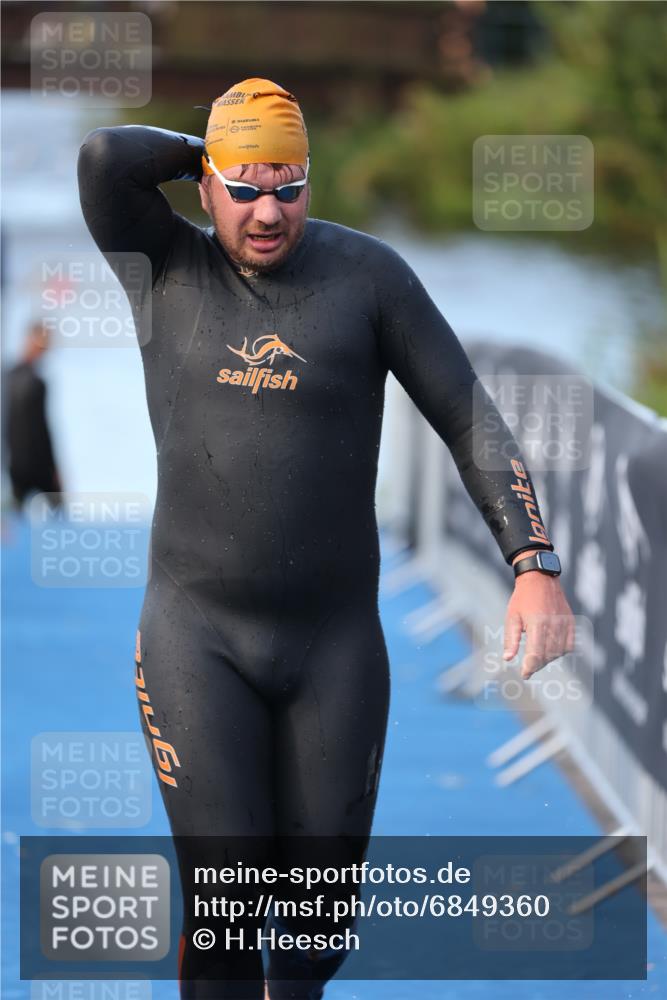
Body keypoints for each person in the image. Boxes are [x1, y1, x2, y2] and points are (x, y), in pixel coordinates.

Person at [77, 77, 574, 1000]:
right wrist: (217, 150)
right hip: (197, 637)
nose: (269, 211)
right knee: (228, 911)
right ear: (205, 184)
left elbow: (470, 420)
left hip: (333, 645)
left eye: (290, 186)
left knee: (314, 933)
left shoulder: (368, 278)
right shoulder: (163, 267)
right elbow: (105, 157)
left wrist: (531, 562)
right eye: (247, 187)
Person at [3, 321, 61, 509]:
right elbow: (41, 431)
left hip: (15, 463)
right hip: (33, 465)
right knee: (58, 511)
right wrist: (53, 469)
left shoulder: (10, 376)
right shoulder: (34, 383)